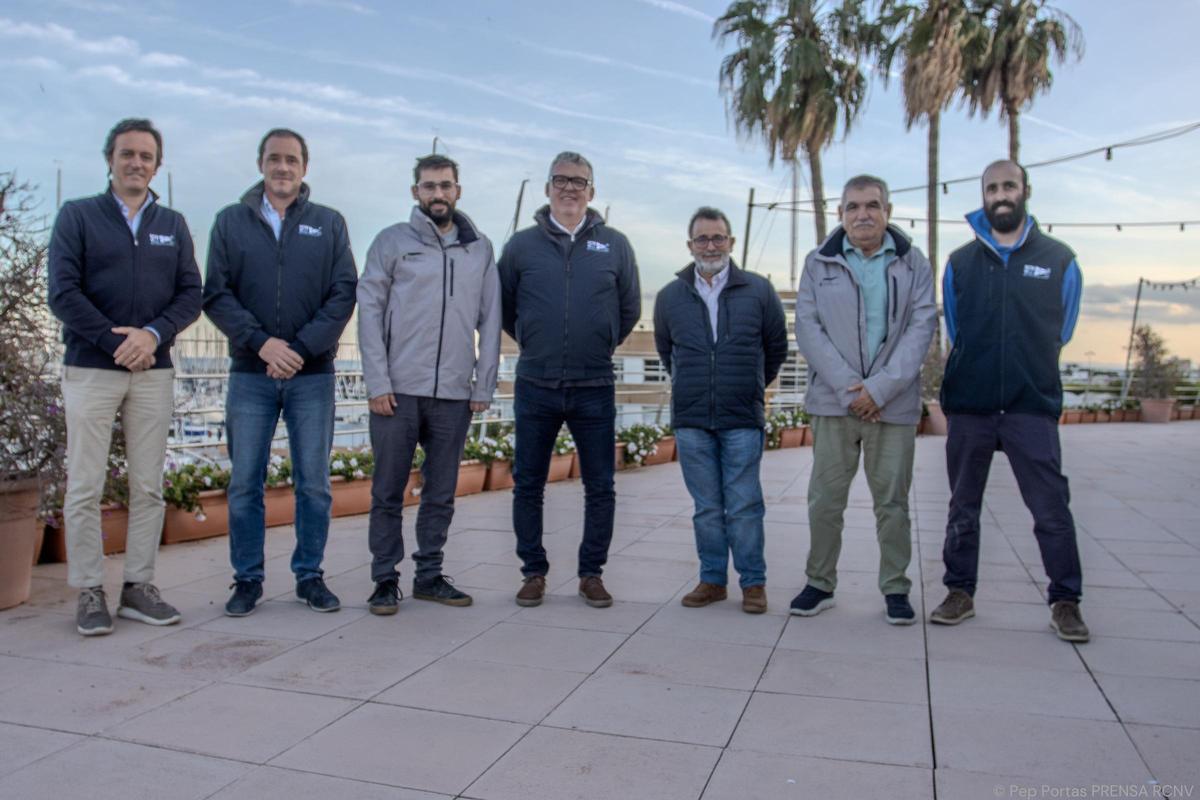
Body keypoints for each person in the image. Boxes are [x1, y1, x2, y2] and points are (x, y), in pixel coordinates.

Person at [48, 117, 202, 636]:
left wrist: (152, 336)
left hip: (152, 371)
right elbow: (63, 293)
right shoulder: (78, 217)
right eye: (127, 153)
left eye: (146, 156)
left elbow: (190, 295)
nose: (136, 162)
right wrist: (118, 342)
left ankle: (138, 586)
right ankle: (90, 590)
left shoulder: (173, 225)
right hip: (92, 368)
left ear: (157, 164)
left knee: (147, 485)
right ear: (109, 159)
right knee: (85, 484)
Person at [930, 159, 1088, 643]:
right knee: (963, 507)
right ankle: (960, 592)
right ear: (983, 195)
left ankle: (1065, 601)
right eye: (992, 187)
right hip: (971, 406)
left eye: (1009, 186)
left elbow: (1061, 331)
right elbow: (956, 331)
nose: (1001, 194)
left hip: (1030, 405)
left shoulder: (1060, 259)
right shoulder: (959, 263)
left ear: (1025, 191)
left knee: (1051, 510)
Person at [203, 128, 357, 617]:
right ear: (261, 164)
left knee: (313, 482)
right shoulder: (230, 221)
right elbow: (217, 294)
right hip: (250, 374)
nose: (283, 167)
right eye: (274, 159)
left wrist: (301, 348)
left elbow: (343, 293)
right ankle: (247, 579)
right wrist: (263, 344)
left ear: (305, 167)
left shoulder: (329, 224)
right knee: (245, 482)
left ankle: (310, 576)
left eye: (291, 160)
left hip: (312, 376)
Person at [356, 154, 501, 615]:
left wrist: (483, 385)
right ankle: (384, 579)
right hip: (397, 392)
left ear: (458, 190)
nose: (437, 194)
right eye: (428, 186)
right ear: (415, 193)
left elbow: (491, 320)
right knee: (387, 491)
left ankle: (430, 575)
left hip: (454, 394)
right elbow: (370, 314)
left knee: (440, 492)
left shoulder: (479, 248)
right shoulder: (390, 242)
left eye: (445, 185)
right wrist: (377, 382)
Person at [791, 175, 937, 625]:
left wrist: (881, 389)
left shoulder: (914, 263)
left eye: (872, 205)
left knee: (892, 503)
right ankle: (819, 584)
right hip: (835, 404)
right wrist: (849, 387)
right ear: (841, 213)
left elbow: (921, 328)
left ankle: (895, 587)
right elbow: (808, 328)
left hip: (892, 407)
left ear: (887, 210)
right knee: (825, 500)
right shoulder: (819, 263)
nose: (863, 214)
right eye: (853, 207)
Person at [497, 151, 640, 608]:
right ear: (547, 188)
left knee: (600, 485)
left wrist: (598, 343)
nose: (569, 188)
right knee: (529, 484)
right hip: (535, 383)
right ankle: (533, 571)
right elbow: (504, 308)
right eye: (560, 179)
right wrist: (534, 341)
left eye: (579, 181)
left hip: (594, 384)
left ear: (591, 191)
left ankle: (591, 573)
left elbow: (629, 308)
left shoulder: (615, 244)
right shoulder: (520, 246)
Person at [653, 207, 788, 614]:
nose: (710, 245)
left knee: (745, 504)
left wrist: (746, 385)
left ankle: (753, 583)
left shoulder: (760, 291)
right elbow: (666, 351)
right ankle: (712, 580)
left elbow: (775, 348)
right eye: (702, 239)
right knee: (707, 508)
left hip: (741, 417)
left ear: (731, 242)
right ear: (690, 245)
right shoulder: (669, 297)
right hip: (692, 419)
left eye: (718, 238)